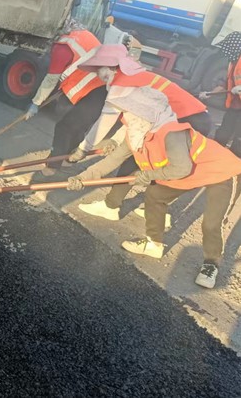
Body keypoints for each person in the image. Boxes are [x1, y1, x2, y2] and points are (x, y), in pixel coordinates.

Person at [66, 86, 241, 289]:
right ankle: (154, 244)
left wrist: (147, 175)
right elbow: (111, 161)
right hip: (190, 172)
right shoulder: (137, 134)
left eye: (130, 114)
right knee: (156, 194)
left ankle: (211, 264)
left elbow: (181, 168)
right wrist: (81, 178)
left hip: (221, 173)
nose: (125, 119)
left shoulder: (171, 133)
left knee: (211, 223)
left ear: (145, 116)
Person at [69, 44, 211, 220]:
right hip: (195, 117)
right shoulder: (137, 76)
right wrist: (115, 140)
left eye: (98, 69)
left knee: (140, 161)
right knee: (152, 162)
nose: (98, 74)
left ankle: (113, 206)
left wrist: (83, 149)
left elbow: (105, 122)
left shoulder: (120, 86)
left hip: (183, 119)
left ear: (110, 68)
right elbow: (134, 117)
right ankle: (153, 209)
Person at [24, 20, 107, 175]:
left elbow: (51, 79)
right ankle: (68, 158)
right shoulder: (84, 35)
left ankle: (52, 167)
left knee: (64, 127)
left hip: (88, 90)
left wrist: (36, 103)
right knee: (79, 126)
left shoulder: (62, 48)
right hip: (103, 88)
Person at [201, 31, 241, 156]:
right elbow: (225, 83)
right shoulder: (233, 62)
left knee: (239, 141)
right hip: (235, 106)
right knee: (223, 133)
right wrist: (209, 93)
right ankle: (213, 155)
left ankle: (235, 166)